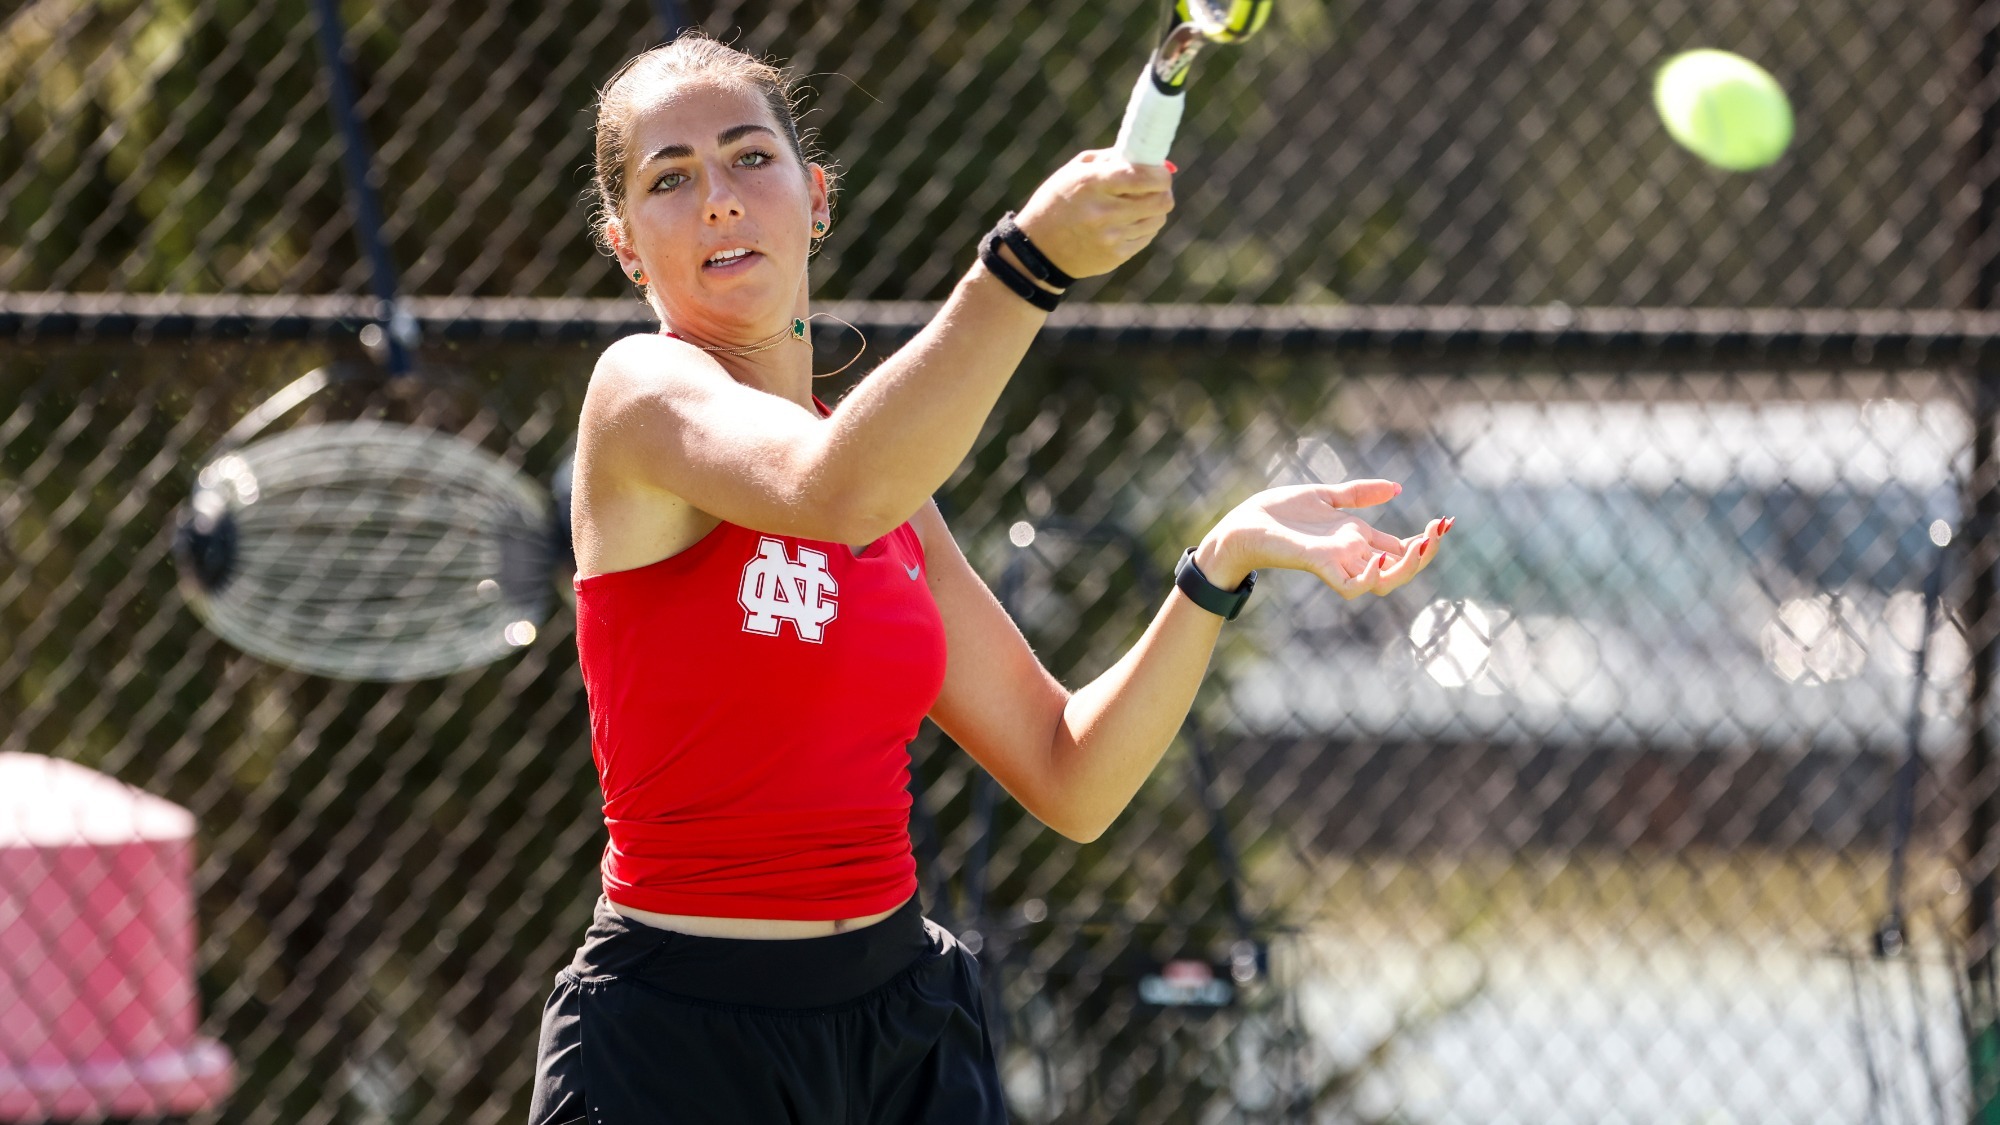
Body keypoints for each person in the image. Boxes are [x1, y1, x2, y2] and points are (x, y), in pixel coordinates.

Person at [528, 32, 1449, 1125]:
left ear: (814, 198)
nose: (718, 199)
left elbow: (1070, 776)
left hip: (903, 1028)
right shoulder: (640, 394)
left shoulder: (887, 483)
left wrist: (1217, 565)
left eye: (747, 158)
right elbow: (829, 491)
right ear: (626, 245)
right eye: (669, 181)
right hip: (677, 1044)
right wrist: (1023, 263)